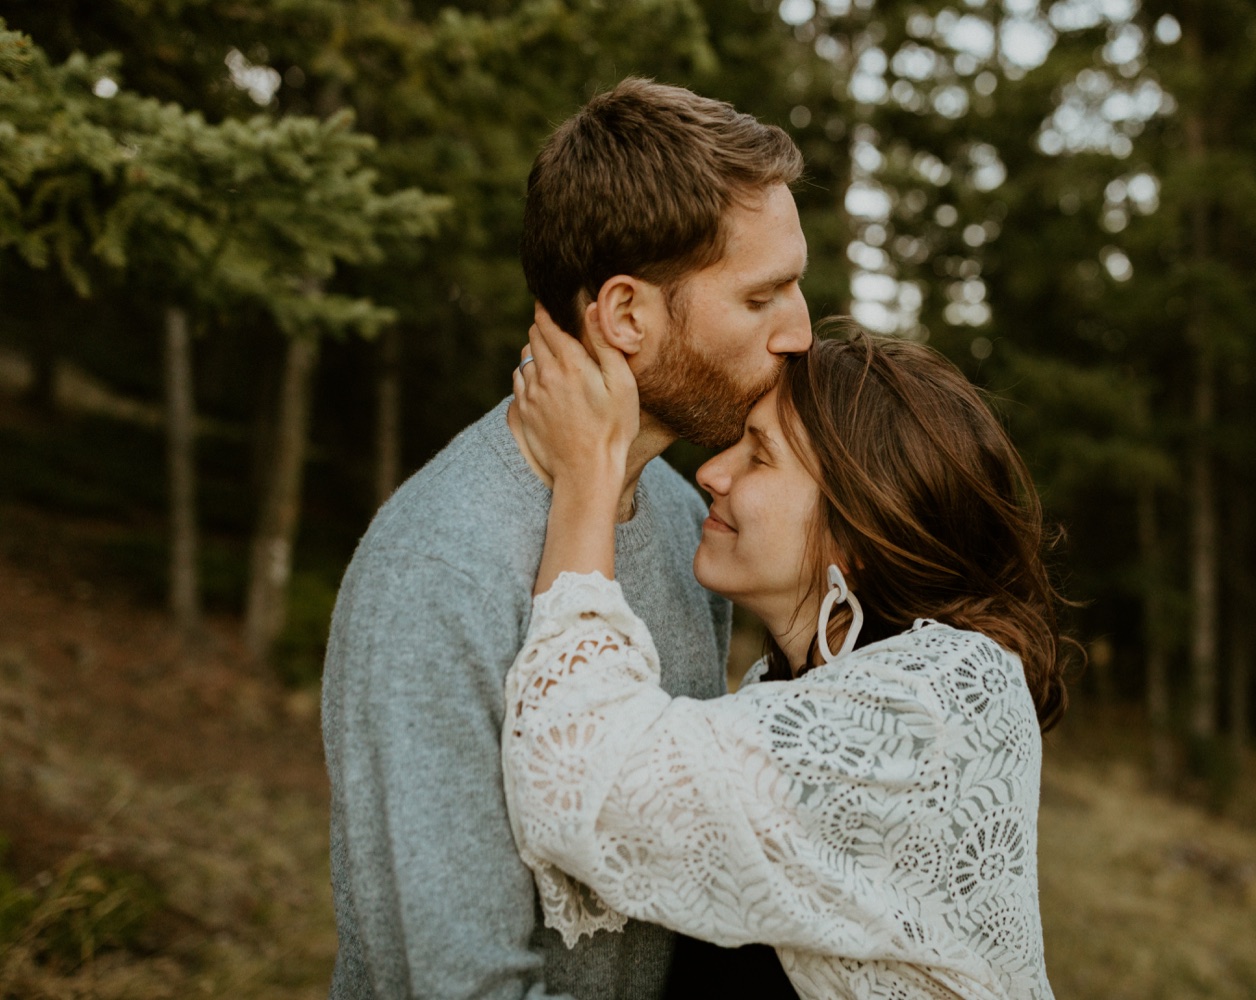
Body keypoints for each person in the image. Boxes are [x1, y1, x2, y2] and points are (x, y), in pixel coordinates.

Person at [321, 78, 811, 999]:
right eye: (762, 298)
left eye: (799, 284)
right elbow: (456, 984)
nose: (801, 331)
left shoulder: (681, 520)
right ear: (627, 315)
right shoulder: (439, 570)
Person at [502, 317, 1070, 999]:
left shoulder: (933, 706)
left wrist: (588, 476)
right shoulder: (785, 688)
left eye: (759, 454)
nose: (712, 471)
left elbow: (581, 772)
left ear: (860, 527)